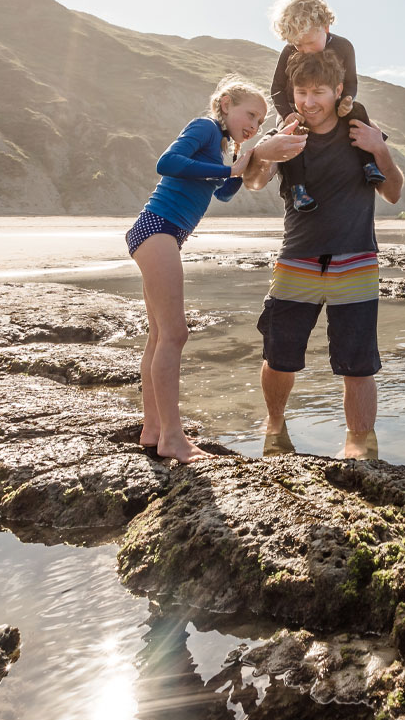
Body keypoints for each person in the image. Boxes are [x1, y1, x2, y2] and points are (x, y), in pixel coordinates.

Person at [127, 77, 303, 462]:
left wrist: (251, 157)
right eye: (251, 114)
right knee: (175, 334)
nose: (255, 125)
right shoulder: (204, 127)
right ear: (225, 104)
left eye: (260, 121)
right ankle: (173, 437)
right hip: (158, 228)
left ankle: (153, 429)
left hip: (163, 233)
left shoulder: (223, 145)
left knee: (158, 337)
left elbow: (223, 191)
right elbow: (167, 162)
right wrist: (231, 168)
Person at [245, 48, 405, 459]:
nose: (309, 101)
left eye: (318, 91)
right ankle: (275, 426)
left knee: (358, 364)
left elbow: (393, 192)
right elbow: (255, 183)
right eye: (301, 92)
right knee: (279, 356)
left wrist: (380, 149)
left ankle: (358, 445)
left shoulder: (360, 131)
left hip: (356, 260)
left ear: (338, 91)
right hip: (298, 257)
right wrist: (267, 150)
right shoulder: (289, 131)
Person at [266, 0, 384, 213]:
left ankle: (368, 164)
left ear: (326, 27)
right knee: (291, 133)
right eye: (298, 45)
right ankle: (297, 189)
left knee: (359, 111)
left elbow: (351, 82)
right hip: (296, 109)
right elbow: (276, 89)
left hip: (336, 106)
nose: (304, 50)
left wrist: (347, 101)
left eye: (309, 42)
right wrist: (287, 114)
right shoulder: (289, 51)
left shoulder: (344, 46)